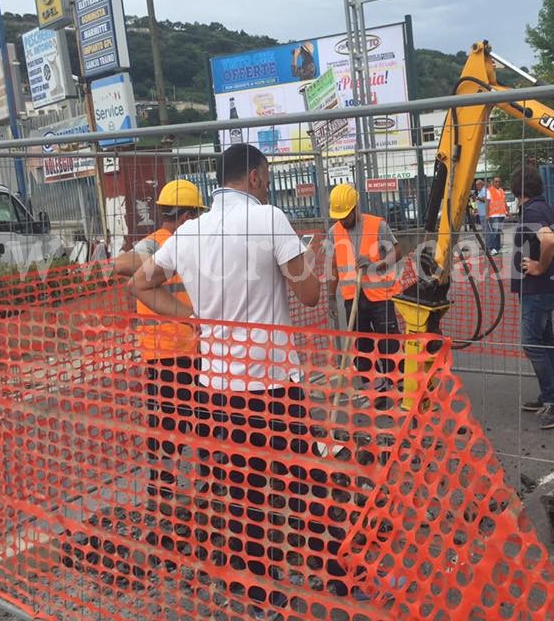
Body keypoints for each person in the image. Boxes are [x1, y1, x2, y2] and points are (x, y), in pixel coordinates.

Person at [130, 144, 322, 618]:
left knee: (243, 496)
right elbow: (312, 295)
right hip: (273, 383)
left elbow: (139, 283)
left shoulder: (188, 234)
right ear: (255, 177)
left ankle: (260, 598)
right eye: (268, 176)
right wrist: (309, 260)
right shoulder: (269, 220)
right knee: (306, 480)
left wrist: (192, 316)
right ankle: (335, 574)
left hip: (217, 388)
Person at [114, 179, 207, 538]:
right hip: (168, 354)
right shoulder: (159, 243)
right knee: (171, 426)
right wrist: (158, 259)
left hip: (187, 350)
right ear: (184, 215)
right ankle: (163, 492)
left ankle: (186, 487)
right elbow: (122, 266)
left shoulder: (191, 243)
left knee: (191, 422)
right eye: (195, 214)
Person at [326, 183, 404, 400]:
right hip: (353, 298)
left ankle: (397, 385)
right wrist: (331, 297)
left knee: (389, 344)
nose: (342, 220)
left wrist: (377, 264)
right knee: (363, 348)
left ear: (355, 207)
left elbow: (396, 251)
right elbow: (333, 267)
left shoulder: (376, 225)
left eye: (346, 215)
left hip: (381, 297)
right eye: (339, 216)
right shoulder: (334, 232)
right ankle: (376, 388)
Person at [510, 165, 554, 430]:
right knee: (545, 340)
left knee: (532, 342)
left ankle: (552, 401)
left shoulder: (531, 211)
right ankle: (553, 395)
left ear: (517, 189)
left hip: (537, 288)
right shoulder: (544, 207)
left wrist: (539, 267)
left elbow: (549, 240)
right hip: (544, 288)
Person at [485, 176, 508, 256]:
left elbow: (504, 202)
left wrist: (508, 212)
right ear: (493, 182)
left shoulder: (501, 191)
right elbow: (487, 203)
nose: (497, 183)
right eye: (496, 181)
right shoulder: (489, 191)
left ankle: (497, 248)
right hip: (494, 215)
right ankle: (492, 248)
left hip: (501, 214)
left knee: (498, 232)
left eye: (499, 181)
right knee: (495, 232)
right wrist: (487, 214)